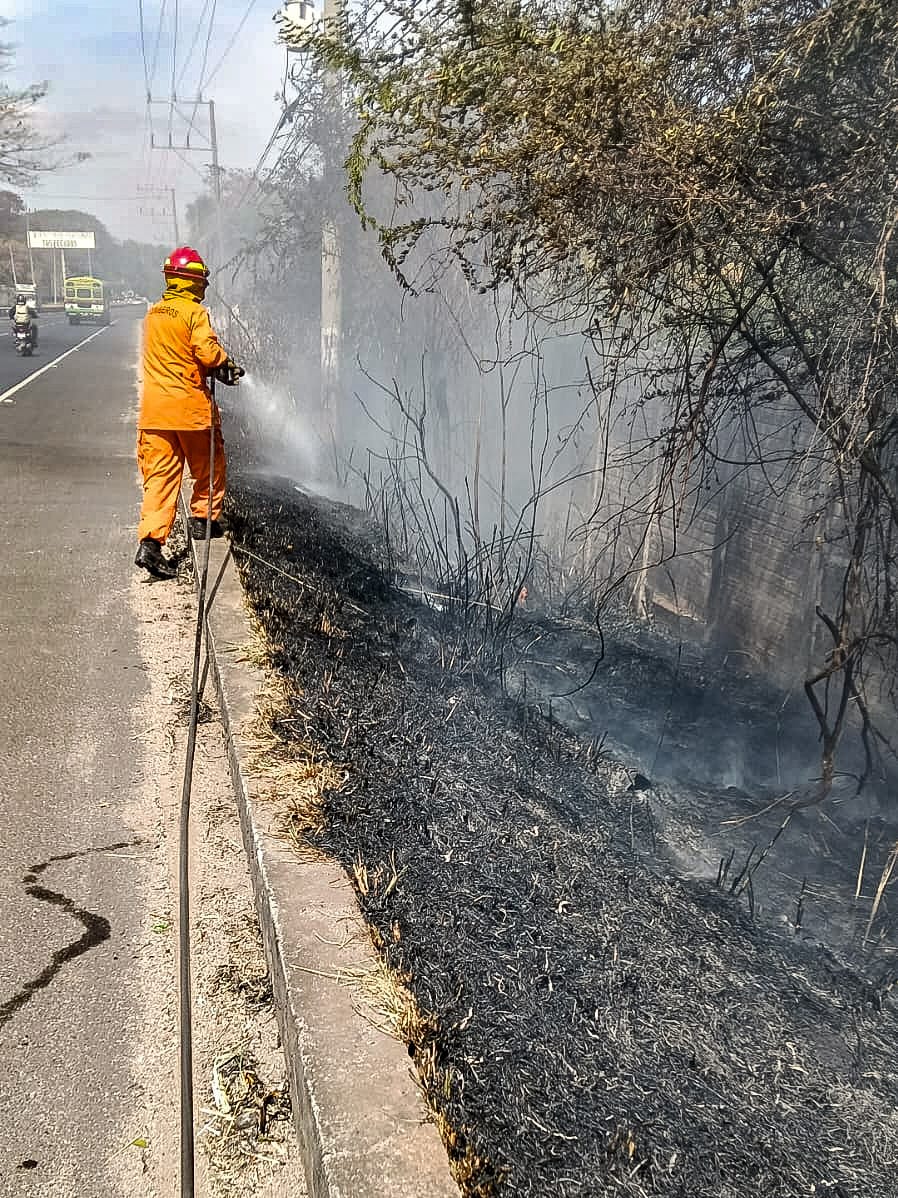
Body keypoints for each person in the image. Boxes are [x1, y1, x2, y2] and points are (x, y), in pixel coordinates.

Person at [135, 246, 243, 579]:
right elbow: (205, 351)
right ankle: (203, 520)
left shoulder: (153, 314)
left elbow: (176, 354)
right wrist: (225, 364)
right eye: (202, 280)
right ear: (193, 281)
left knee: (160, 479)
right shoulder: (194, 313)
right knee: (209, 466)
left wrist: (210, 366)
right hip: (191, 412)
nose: (205, 286)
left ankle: (151, 544)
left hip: (155, 414)